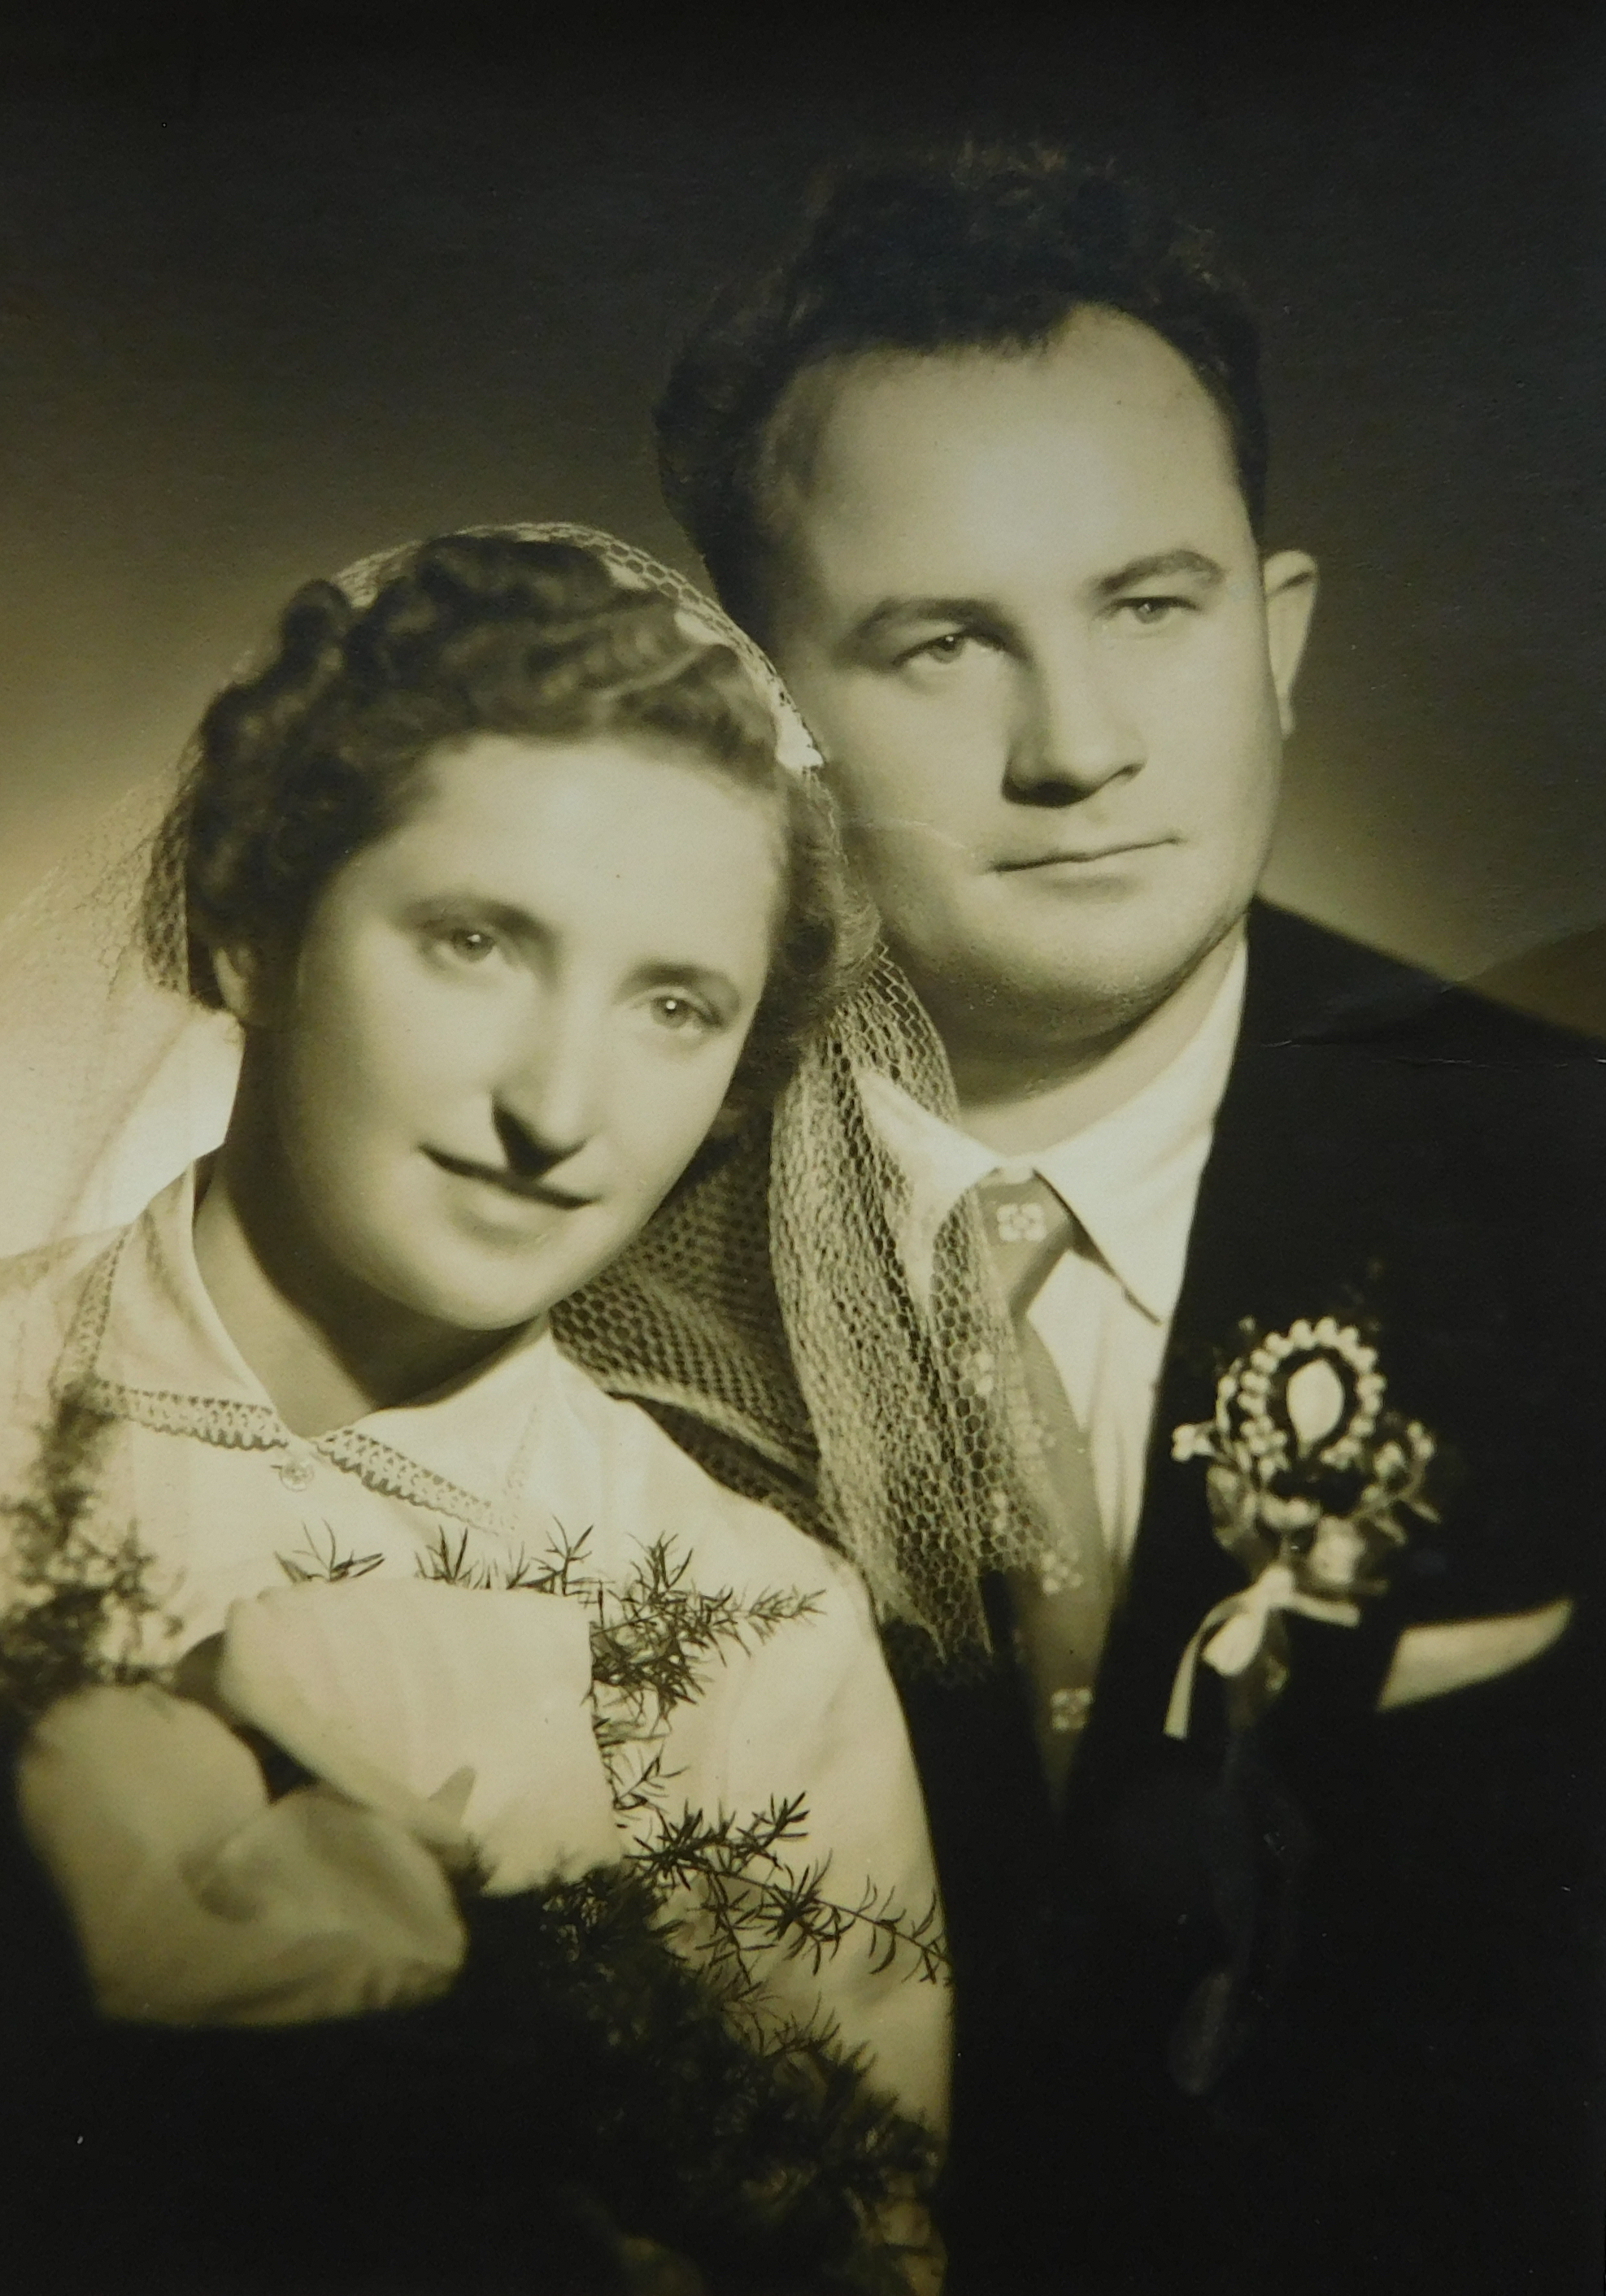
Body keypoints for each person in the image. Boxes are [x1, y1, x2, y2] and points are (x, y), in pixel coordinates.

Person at [556, 142, 1606, 2293]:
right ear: (756, 728)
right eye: (944, 642)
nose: (1079, 746)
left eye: (1149, 607)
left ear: (1277, 638)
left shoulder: (1567, 1188)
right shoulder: (566, 1264)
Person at [0, 526, 950, 2293]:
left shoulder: (757, 1627)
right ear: (253, 930)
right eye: (474, 940)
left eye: (675, 1006)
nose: (559, 1107)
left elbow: (853, 2242)